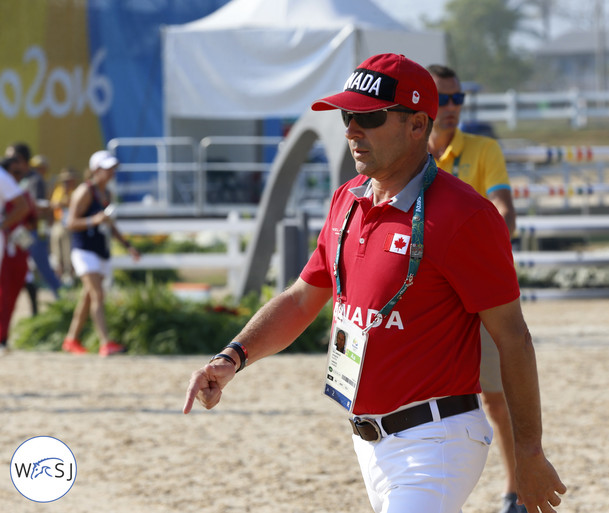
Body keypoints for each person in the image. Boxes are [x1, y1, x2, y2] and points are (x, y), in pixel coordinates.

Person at [184, 53, 565, 513]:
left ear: (417, 126)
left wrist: (529, 453)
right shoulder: (347, 199)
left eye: (369, 117)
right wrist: (233, 357)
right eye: (348, 116)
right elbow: (303, 298)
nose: (351, 131)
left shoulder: (466, 216)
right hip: (368, 442)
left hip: (437, 440)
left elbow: (514, 339)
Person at [426, 64, 523, 513]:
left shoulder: (484, 149)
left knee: (497, 400)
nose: (452, 107)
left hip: (477, 294)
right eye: (443, 99)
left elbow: (504, 208)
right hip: (426, 299)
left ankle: (514, 488)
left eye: (458, 98)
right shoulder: (406, 154)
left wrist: (469, 242)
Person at [61, 150, 139, 357]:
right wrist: (92, 220)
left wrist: (127, 245)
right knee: (97, 294)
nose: (112, 172)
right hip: (84, 250)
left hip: (99, 249)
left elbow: (109, 224)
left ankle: (71, 339)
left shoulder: (107, 193)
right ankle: (105, 343)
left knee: (87, 297)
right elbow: (70, 222)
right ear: (95, 170)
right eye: (107, 168)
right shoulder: (85, 191)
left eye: (113, 168)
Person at [5, 143, 61, 312]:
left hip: (32, 231)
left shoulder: (33, 179)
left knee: (42, 267)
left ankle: (63, 300)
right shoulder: (14, 178)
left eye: (12, 157)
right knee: (22, 271)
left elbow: (34, 206)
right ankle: (34, 311)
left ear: (22, 160)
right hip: (18, 231)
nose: (8, 161)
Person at [0, 156, 33, 356]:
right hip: (9, 246)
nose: (17, 176)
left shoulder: (17, 188)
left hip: (15, 247)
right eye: (16, 172)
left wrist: (7, 228)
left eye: (21, 172)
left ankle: (3, 336)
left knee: (11, 293)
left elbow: (29, 215)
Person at [49, 168, 79, 284]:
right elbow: (54, 204)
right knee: (57, 254)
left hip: (71, 226)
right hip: (59, 224)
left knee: (69, 254)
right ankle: (60, 280)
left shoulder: (76, 191)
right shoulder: (59, 190)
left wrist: (63, 203)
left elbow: (72, 204)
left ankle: (70, 279)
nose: (67, 183)